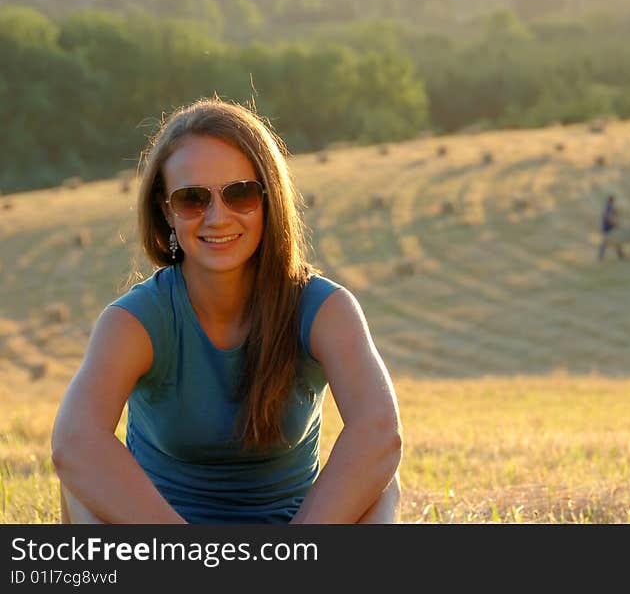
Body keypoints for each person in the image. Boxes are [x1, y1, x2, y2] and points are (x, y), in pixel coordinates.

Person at [51, 98, 402, 524]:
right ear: (167, 211)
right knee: (80, 486)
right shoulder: (134, 320)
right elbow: (75, 441)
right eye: (193, 199)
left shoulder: (325, 308)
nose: (218, 217)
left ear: (269, 199)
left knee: (384, 484)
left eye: (240, 194)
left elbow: (379, 431)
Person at [597, 194, 624, 261]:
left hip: (608, 228)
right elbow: (607, 217)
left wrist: (616, 221)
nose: (613, 202)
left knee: (615, 241)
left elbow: (613, 215)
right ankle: (601, 257)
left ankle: (620, 255)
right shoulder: (609, 207)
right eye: (612, 200)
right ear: (611, 201)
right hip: (608, 228)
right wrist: (614, 224)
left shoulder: (610, 207)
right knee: (607, 242)